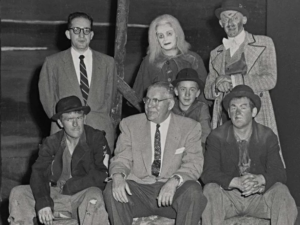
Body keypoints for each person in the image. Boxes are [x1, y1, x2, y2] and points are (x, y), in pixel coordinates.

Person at [104, 82, 207, 225]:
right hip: (139, 191)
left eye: (156, 101)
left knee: (193, 191)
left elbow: (194, 164)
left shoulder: (189, 127)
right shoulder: (130, 124)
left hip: (171, 194)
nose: (150, 105)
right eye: (147, 100)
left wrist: (174, 181)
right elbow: (122, 158)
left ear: (170, 104)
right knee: (111, 189)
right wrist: (118, 176)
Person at [201, 85, 297, 225]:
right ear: (228, 112)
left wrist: (259, 179)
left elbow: (280, 173)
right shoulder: (217, 136)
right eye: (233, 107)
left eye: (243, 107)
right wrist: (235, 182)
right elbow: (208, 173)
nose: (237, 112)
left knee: (281, 192)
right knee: (210, 190)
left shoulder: (267, 136)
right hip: (229, 198)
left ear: (253, 112)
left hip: (258, 198)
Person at [8, 96, 111, 225]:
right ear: (61, 123)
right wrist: (43, 202)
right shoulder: (51, 143)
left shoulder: (96, 138)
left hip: (82, 196)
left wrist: (71, 186)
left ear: (84, 118)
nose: (75, 124)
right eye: (69, 119)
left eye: (78, 118)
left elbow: (103, 173)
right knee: (19, 193)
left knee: (94, 195)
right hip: (55, 195)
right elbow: (39, 173)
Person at [39, 12, 116, 151]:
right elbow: (47, 98)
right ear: (68, 34)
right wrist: (64, 122)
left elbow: (109, 99)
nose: (82, 35)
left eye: (86, 30)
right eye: (76, 30)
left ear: (91, 35)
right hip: (64, 134)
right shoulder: (52, 63)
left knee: (99, 172)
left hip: (99, 133)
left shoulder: (107, 63)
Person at [204, 0, 280, 137]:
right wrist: (216, 86)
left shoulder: (264, 43)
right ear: (221, 24)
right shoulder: (215, 54)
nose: (230, 22)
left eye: (235, 17)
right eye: (225, 18)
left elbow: (270, 79)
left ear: (244, 19)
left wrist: (234, 81)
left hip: (257, 116)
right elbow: (207, 92)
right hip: (226, 118)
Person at [132, 14, 208, 106]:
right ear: (156, 39)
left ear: (176, 34)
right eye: (161, 36)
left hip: (188, 115)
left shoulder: (193, 59)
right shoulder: (149, 61)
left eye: (169, 34)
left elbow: (204, 96)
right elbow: (139, 97)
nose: (165, 39)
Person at [172, 68, 211, 148]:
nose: (187, 94)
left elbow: (206, 134)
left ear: (197, 93)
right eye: (183, 89)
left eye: (192, 90)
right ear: (176, 91)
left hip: (195, 148)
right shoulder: (171, 106)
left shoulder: (201, 108)